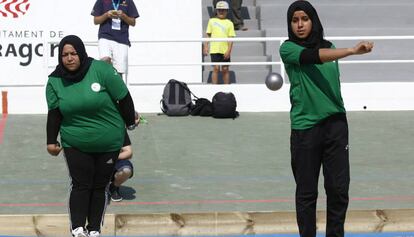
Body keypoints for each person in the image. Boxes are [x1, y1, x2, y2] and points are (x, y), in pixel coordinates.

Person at [279, 1, 373, 237]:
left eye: (305, 19)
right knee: (307, 193)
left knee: (338, 189)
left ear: (314, 21)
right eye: (294, 20)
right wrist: (352, 50)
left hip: (336, 126)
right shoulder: (288, 49)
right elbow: (315, 57)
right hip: (305, 130)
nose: (300, 24)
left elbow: (331, 78)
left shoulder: (329, 47)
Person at [45, 35, 138, 237]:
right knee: (81, 184)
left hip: (108, 141)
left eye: (73, 53)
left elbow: (123, 97)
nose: (69, 58)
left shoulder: (101, 70)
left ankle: (94, 229)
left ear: (81, 53)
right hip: (75, 141)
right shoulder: (54, 81)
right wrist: (51, 141)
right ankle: (77, 229)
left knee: (99, 186)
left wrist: (130, 121)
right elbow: (54, 113)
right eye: (65, 55)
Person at [91, 0, 139, 82]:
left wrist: (123, 16)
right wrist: (107, 15)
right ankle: (105, 88)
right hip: (105, 36)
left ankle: (118, 91)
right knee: (105, 61)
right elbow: (96, 21)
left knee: (119, 71)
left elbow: (133, 22)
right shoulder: (102, 1)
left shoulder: (128, 1)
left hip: (122, 39)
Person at [204, 1, 236, 84]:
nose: (221, 11)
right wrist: (206, 46)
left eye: (223, 10)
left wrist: (229, 50)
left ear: (227, 11)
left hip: (224, 49)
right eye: (219, 10)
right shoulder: (211, 21)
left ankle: (226, 88)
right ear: (216, 10)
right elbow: (208, 34)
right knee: (216, 68)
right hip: (214, 49)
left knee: (225, 69)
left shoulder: (230, 23)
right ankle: (214, 88)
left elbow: (231, 38)